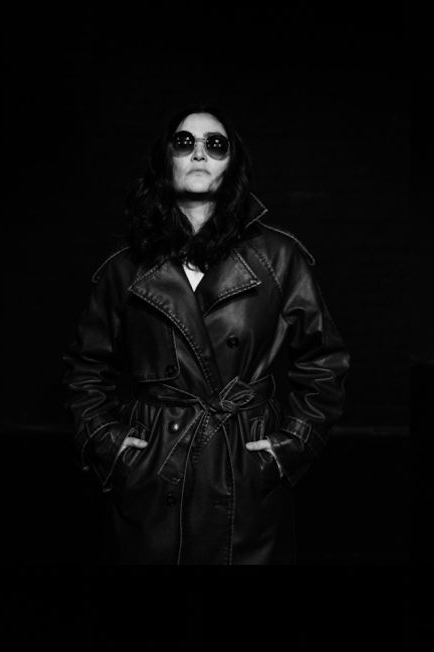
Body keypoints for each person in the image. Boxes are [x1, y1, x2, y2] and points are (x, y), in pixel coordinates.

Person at [63, 104, 350, 565]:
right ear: (166, 159)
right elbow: (85, 367)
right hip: (156, 466)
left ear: (231, 163)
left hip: (244, 464)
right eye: (184, 142)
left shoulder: (279, 258)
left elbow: (325, 361)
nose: (199, 153)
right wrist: (110, 445)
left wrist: (289, 447)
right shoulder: (124, 268)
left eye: (215, 145)